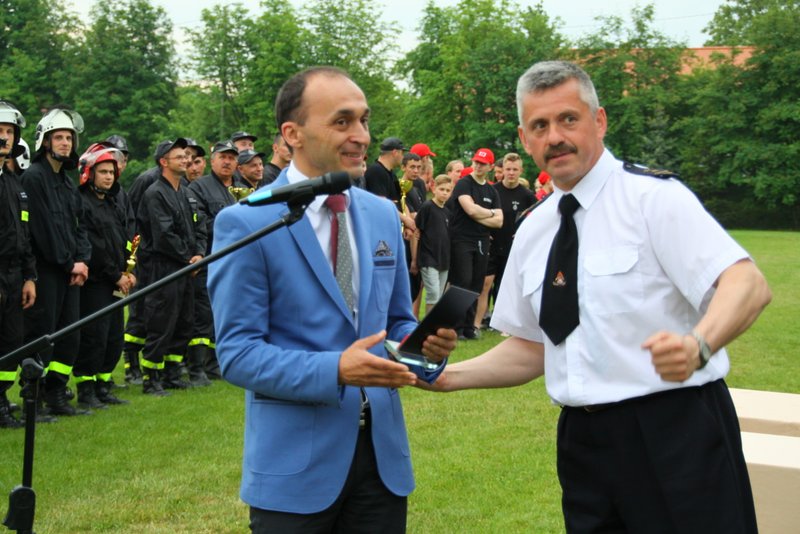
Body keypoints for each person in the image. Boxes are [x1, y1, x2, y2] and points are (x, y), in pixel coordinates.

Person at [424, 60, 771, 533]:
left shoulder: (653, 199)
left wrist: (699, 345)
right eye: (539, 126)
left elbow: (745, 283)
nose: (555, 137)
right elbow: (534, 346)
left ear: (599, 121)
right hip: (584, 445)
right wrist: (448, 377)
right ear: (525, 139)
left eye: (568, 119)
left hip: (676, 431)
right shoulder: (534, 230)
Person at [207, 66, 457, 533]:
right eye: (342, 122)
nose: (361, 135)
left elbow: (396, 321)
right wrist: (335, 370)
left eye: (363, 120)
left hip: (382, 463)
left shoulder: (382, 215)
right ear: (292, 134)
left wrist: (424, 346)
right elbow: (238, 355)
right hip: (294, 468)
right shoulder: (247, 222)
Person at [22, 107, 92, 416]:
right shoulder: (33, 178)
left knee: (69, 336)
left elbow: (79, 226)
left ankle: (57, 394)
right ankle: (33, 398)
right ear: (45, 141)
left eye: (69, 138)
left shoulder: (66, 182)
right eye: (59, 137)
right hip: (47, 272)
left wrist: (82, 260)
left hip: (71, 272)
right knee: (42, 335)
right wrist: (68, 263)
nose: (65, 143)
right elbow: (42, 231)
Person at [137, 138, 205, 395]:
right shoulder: (155, 193)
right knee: (161, 321)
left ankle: (172, 373)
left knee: (184, 321)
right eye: (179, 157)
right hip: (164, 267)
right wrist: (188, 258)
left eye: (186, 156)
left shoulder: (186, 193)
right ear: (163, 162)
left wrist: (199, 254)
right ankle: (151, 378)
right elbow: (164, 235)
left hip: (187, 267)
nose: (186, 160)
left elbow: (199, 226)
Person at [73, 143, 134, 408]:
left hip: (116, 280)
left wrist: (129, 271)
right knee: (94, 336)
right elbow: (94, 247)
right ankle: (86, 390)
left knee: (114, 336)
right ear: (89, 173)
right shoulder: (81, 203)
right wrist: (115, 274)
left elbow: (121, 240)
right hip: (96, 283)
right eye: (103, 172)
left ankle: (103, 384)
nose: (109, 177)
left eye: (111, 172)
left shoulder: (112, 204)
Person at [186, 140, 240, 385]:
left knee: (227, 314)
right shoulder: (199, 187)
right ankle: (196, 368)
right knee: (203, 314)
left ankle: (216, 363)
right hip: (209, 258)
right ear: (213, 160)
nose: (227, 162)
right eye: (223, 157)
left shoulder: (241, 188)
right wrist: (232, 227)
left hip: (236, 261)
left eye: (232, 158)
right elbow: (199, 223)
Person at [0, 101, 37, 428]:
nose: (4, 137)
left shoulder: (14, 183)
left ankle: (1, 399)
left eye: (9, 131)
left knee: (11, 340)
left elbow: (24, 235)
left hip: (14, 275)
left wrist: (29, 277)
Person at [447, 148, 502, 339]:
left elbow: (499, 221)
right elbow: (470, 210)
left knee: (476, 284)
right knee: (462, 281)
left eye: (483, 164)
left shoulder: (491, 190)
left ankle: (468, 327)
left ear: (490, 167)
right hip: (462, 239)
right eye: (476, 162)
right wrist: (490, 213)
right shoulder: (464, 183)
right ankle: (455, 327)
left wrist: (482, 213)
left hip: (482, 241)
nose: (478, 166)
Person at [476, 153, 535, 328]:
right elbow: (478, 214)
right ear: (502, 170)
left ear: (520, 171)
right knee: (485, 284)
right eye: (508, 169)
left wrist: (524, 232)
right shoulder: (492, 190)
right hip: (491, 245)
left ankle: (500, 321)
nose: (511, 173)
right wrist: (484, 231)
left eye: (515, 170)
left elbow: (537, 218)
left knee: (505, 286)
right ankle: (479, 321)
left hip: (512, 248)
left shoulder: (527, 195)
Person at [411, 175, 452, 314]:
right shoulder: (427, 207)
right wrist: (414, 260)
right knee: (433, 294)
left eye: (448, 190)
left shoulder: (447, 212)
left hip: (444, 260)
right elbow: (416, 233)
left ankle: (433, 324)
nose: (445, 193)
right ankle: (428, 325)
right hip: (428, 258)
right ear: (434, 189)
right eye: (442, 189)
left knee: (439, 296)